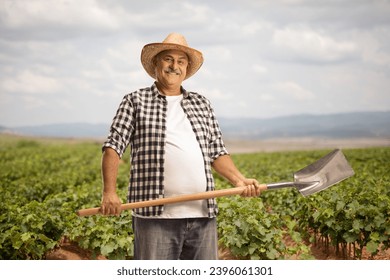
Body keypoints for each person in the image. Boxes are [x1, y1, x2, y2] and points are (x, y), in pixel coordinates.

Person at [100, 33, 261, 260]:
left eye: (181, 61)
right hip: (155, 216)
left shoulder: (201, 103)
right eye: (168, 59)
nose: (174, 66)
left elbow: (217, 150)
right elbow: (113, 146)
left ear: (186, 68)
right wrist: (109, 192)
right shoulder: (135, 101)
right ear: (156, 63)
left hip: (202, 216)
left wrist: (239, 180)